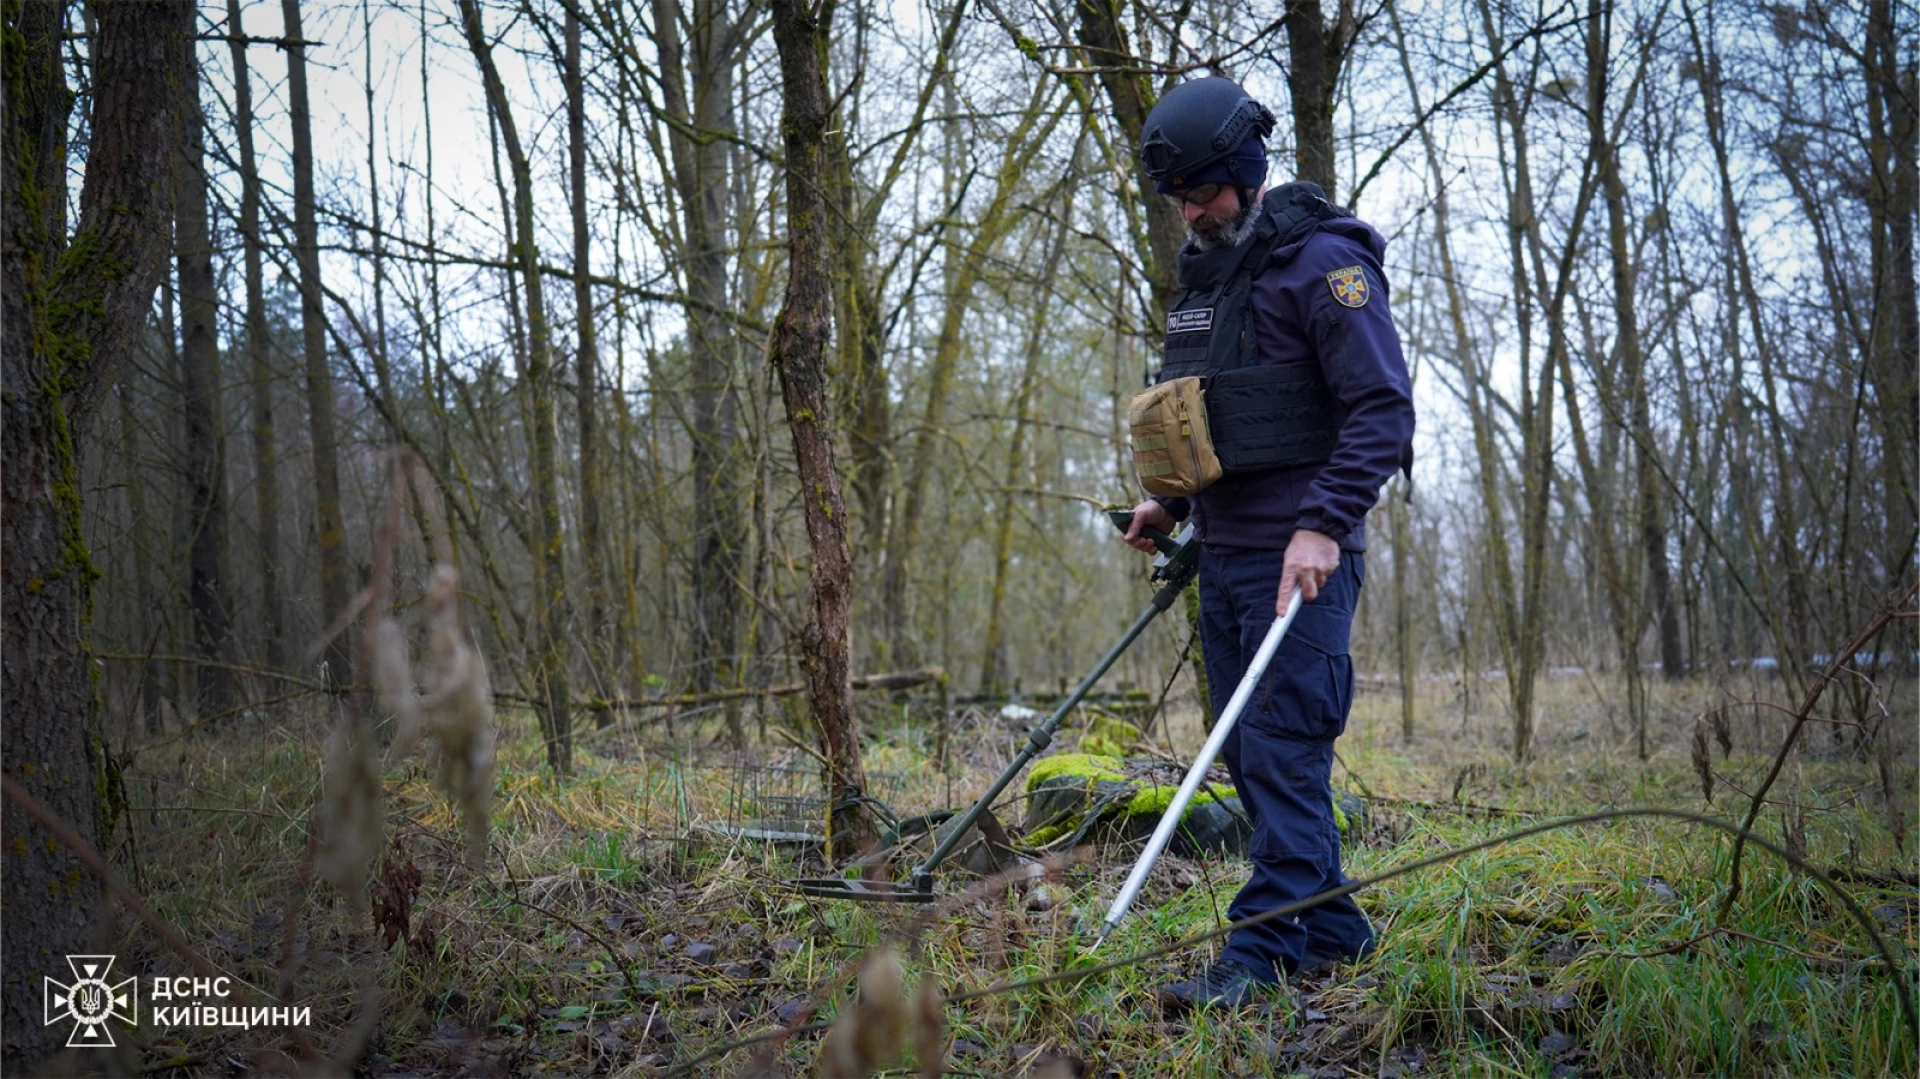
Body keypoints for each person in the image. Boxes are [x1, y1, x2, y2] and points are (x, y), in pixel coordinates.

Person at [1121, 77, 1415, 1012]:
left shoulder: (1325, 266)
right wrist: (1163, 504)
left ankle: (1262, 951)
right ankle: (1331, 927)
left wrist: (1324, 524)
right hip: (1229, 552)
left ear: (1244, 173)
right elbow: (1203, 420)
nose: (1192, 210)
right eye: (1180, 196)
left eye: (1204, 190)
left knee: (1283, 747)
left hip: (1305, 556)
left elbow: (1383, 410)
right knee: (1249, 754)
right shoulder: (1205, 283)